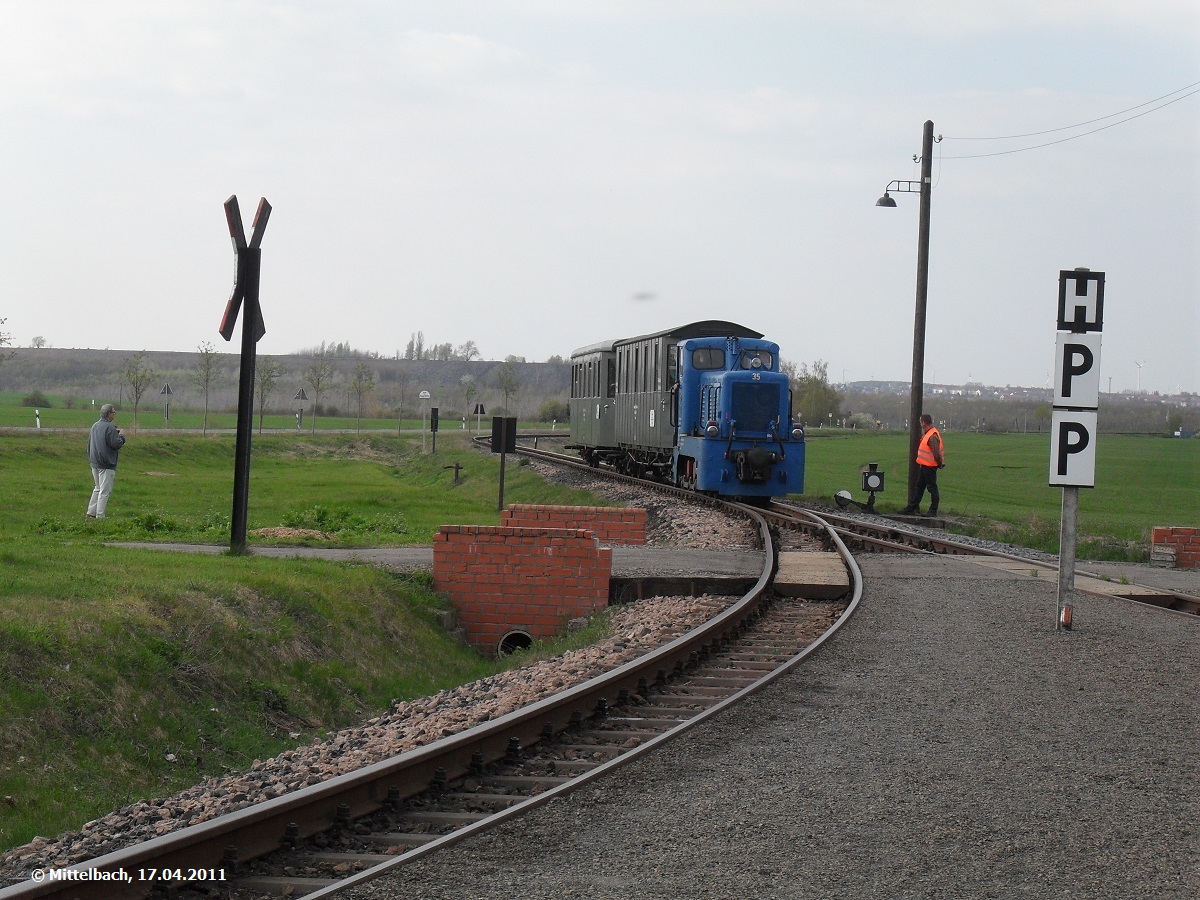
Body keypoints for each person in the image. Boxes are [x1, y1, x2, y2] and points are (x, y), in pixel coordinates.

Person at [900, 413, 944, 516]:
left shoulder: (932, 435)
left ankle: (933, 510)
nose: (920, 423)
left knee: (932, 488)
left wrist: (940, 464)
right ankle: (912, 507)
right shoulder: (929, 433)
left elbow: (936, 453)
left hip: (930, 466)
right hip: (925, 465)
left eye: (920, 422)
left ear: (923, 422)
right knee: (919, 487)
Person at [86, 404, 126, 518]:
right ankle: (100, 516)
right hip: (106, 463)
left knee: (97, 488)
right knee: (104, 491)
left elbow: (89, 443)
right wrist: (122, 436)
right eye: (113, 412)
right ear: (109, 414)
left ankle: (91, 513)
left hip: (94, 462)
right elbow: (116, 443)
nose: (114, 414)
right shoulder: (109, 427)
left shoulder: (95, 425)